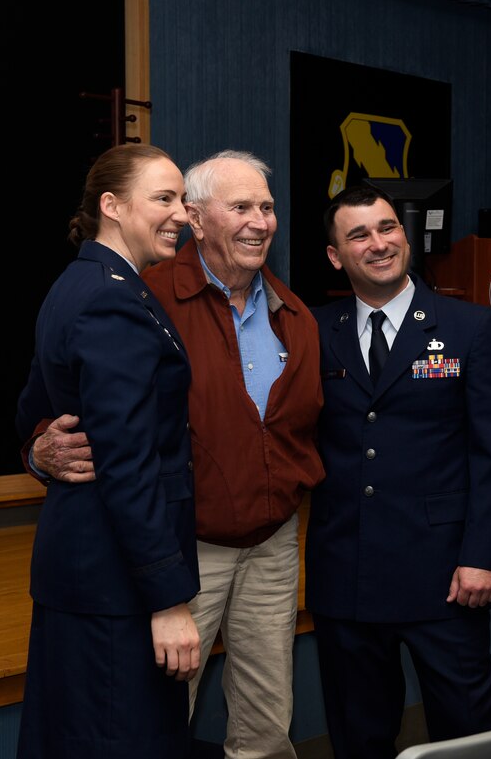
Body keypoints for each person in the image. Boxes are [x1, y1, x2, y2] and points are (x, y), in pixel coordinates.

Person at [27, 150, 325, 759]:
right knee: (155, 716)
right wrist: (40, 451)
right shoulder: (144, 294)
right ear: (200, 219)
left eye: (267, 208)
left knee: (267, 720)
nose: (260, 221)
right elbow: (56, 403)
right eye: (240, 206)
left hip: (271, 546)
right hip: (181, 547)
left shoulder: (293, 315)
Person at [307, 183, 491, 758]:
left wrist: (482, 556)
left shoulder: (471, 327)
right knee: (358, 735)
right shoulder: (310, 331)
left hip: (444, 576)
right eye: (359, 235)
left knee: (467, 732)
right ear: (335, 256)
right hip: (345, 575)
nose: (379, 243)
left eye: (388, 228)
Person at [14, 143, 201, 758]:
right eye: (164, 198)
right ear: (112, 206)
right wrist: (167, 600)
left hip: (83, 575)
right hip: (114, 586)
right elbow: (128, 463)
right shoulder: (112, 297)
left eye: (183, 198)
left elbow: (31, 412)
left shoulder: (80, 284)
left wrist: (40, 450)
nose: (182, 213)